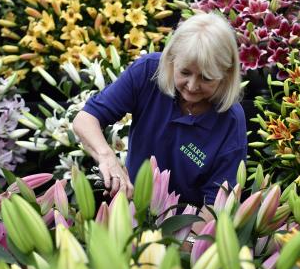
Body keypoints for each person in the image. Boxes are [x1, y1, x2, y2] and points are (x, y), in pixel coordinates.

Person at [73, 12, 247, 206]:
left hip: (188, 225)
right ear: (172, 60)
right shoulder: (148, 72)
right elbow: (86, 119)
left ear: (225, 75)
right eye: (184, 72)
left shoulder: (231, 120)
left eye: (206, 78)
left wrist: (189, 236)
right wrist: (107, 158)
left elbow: (217, 204)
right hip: (132, 210)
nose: (192, 86)